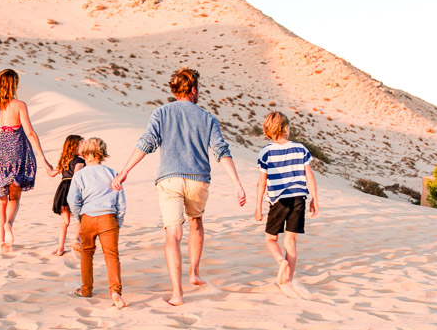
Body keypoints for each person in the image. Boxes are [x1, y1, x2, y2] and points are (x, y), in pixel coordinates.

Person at [111, 67, 246, 306]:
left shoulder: (161, 113)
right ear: (193, 90)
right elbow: (221, 151)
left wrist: (124, 171)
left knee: (173, 234)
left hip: (169, 179)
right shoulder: (207, 117)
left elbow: (147, 143)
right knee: (196, 222)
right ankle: (194, 272)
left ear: (175, 90)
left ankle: (177, 294)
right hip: (198, 180)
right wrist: (237, 183)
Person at [0, 69, 53, 254]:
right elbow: (30, 132)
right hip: (16, 151)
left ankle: (1, 240)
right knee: (15, 196)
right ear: (14, 85)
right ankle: (9, 224)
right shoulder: (19, 105)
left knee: (0, 201)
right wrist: (44, 159)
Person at [254, 111, 319, 285]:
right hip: (299, 199)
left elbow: (262, 182)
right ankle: (288, 281)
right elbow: (309, 175)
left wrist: (258, 206)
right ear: (285, 128)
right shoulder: (300, 149)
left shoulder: (266, 152)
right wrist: (315, 199)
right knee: (290, 241)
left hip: (279, 200)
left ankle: (281, 262)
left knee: (270, 238)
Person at [68, 137, 127, 309]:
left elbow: (72, 200)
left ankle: (86, 289)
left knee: (86, 254)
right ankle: (115, 291)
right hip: (108, 217)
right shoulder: (111, 173)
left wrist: (80, 217)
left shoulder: (79, 175)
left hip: (87, 217)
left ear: (84, 153)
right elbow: (120, 201)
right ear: (102, 153)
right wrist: (118, 221)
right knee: (112, 256)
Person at [47, 135, 85, 256]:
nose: (83, 146)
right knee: (80, 217)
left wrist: (46, 166)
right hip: (73, 188)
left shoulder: (64, 160)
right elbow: (77, 175)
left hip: (63, 190)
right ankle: (77, 240)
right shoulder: (79, 160)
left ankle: (60, 248)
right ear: (75, 146)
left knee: (64, 221)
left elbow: (52, 173)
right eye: (81, 144)